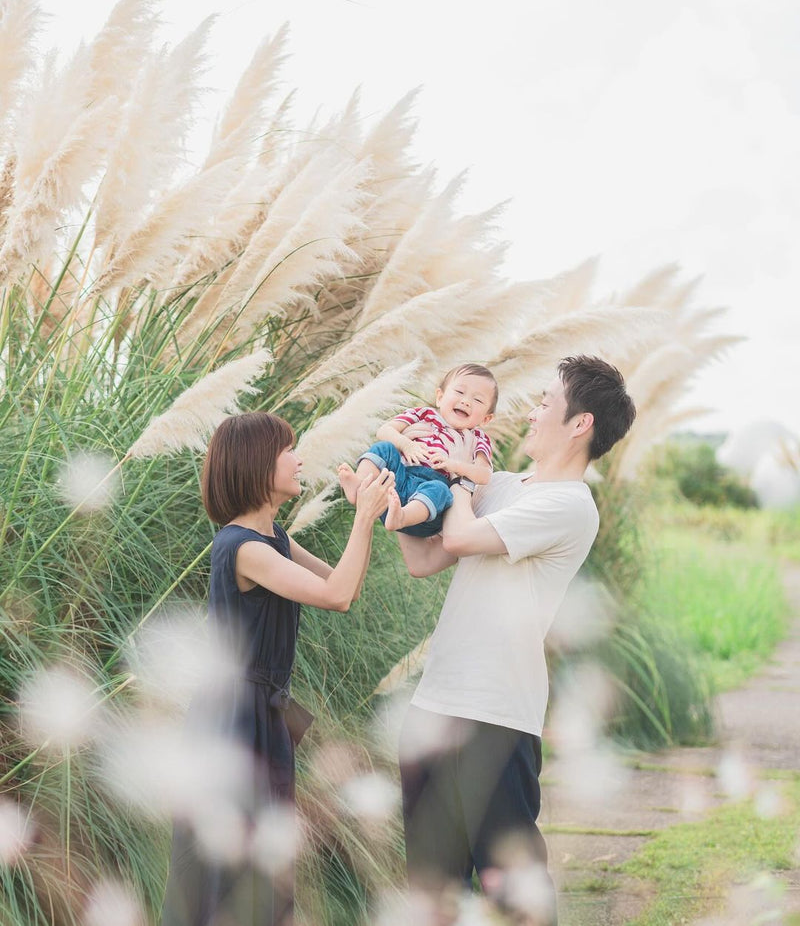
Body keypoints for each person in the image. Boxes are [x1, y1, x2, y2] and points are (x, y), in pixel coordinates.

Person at [393, 355, 636, 925]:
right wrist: (391, 504)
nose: (531, 412)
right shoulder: (502, 485)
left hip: (496, 719)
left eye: (546, 401)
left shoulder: (569, 506)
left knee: (515, 897)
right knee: (433, 892)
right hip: (433, 706)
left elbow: (460, 538)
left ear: (580, 424)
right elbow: (426, 558)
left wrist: (454, 480)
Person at [160, 411, 394, 926]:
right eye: (288, 449)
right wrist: (361, 520)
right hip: (233, 724)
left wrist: (367, 515)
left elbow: (344, 587)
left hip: (262, 717)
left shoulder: (275, 538)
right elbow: (335, 596)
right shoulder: (240, 547)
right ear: (257, 464)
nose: (299, 457)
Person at [338, 363, 497, 536]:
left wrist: (455, 465)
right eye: (459, 392)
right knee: (384, 448)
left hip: (426, 508)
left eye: (478, 400)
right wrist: (406, 444)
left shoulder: (477, 439)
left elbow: (485, 474)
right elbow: (384, 431)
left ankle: (402, 516)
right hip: (396, 482)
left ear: (486, 419)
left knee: (440, 490)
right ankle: (361, 487)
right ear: (440, 397)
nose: (466, 401)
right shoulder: (424, 414)